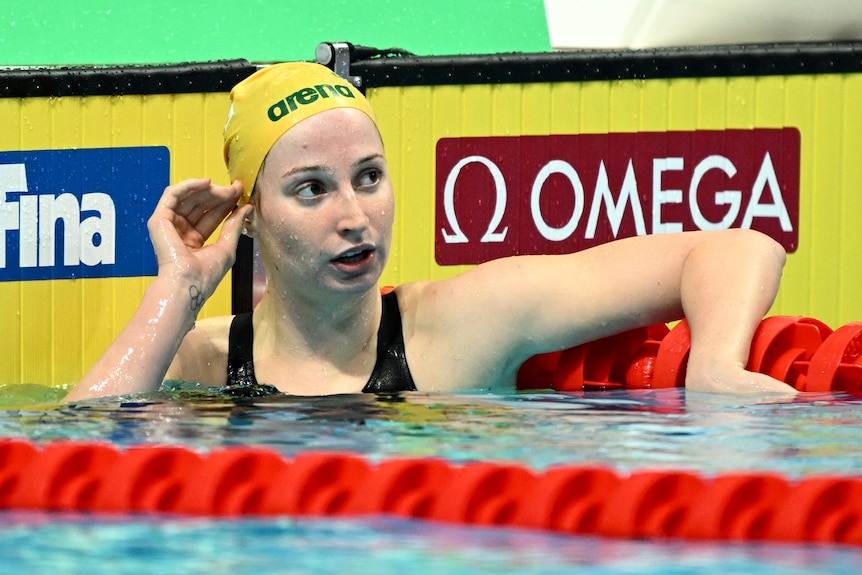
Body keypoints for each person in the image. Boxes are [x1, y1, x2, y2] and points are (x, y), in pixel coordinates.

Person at [64, 62, 793, 402]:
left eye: (370, 176)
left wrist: (717, 365)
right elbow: (73, 455)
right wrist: (182, 287)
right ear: (250, 212)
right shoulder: (209, 358)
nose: (354, 214)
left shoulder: (463, 324)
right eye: (311, 188)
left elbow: (735, 244)